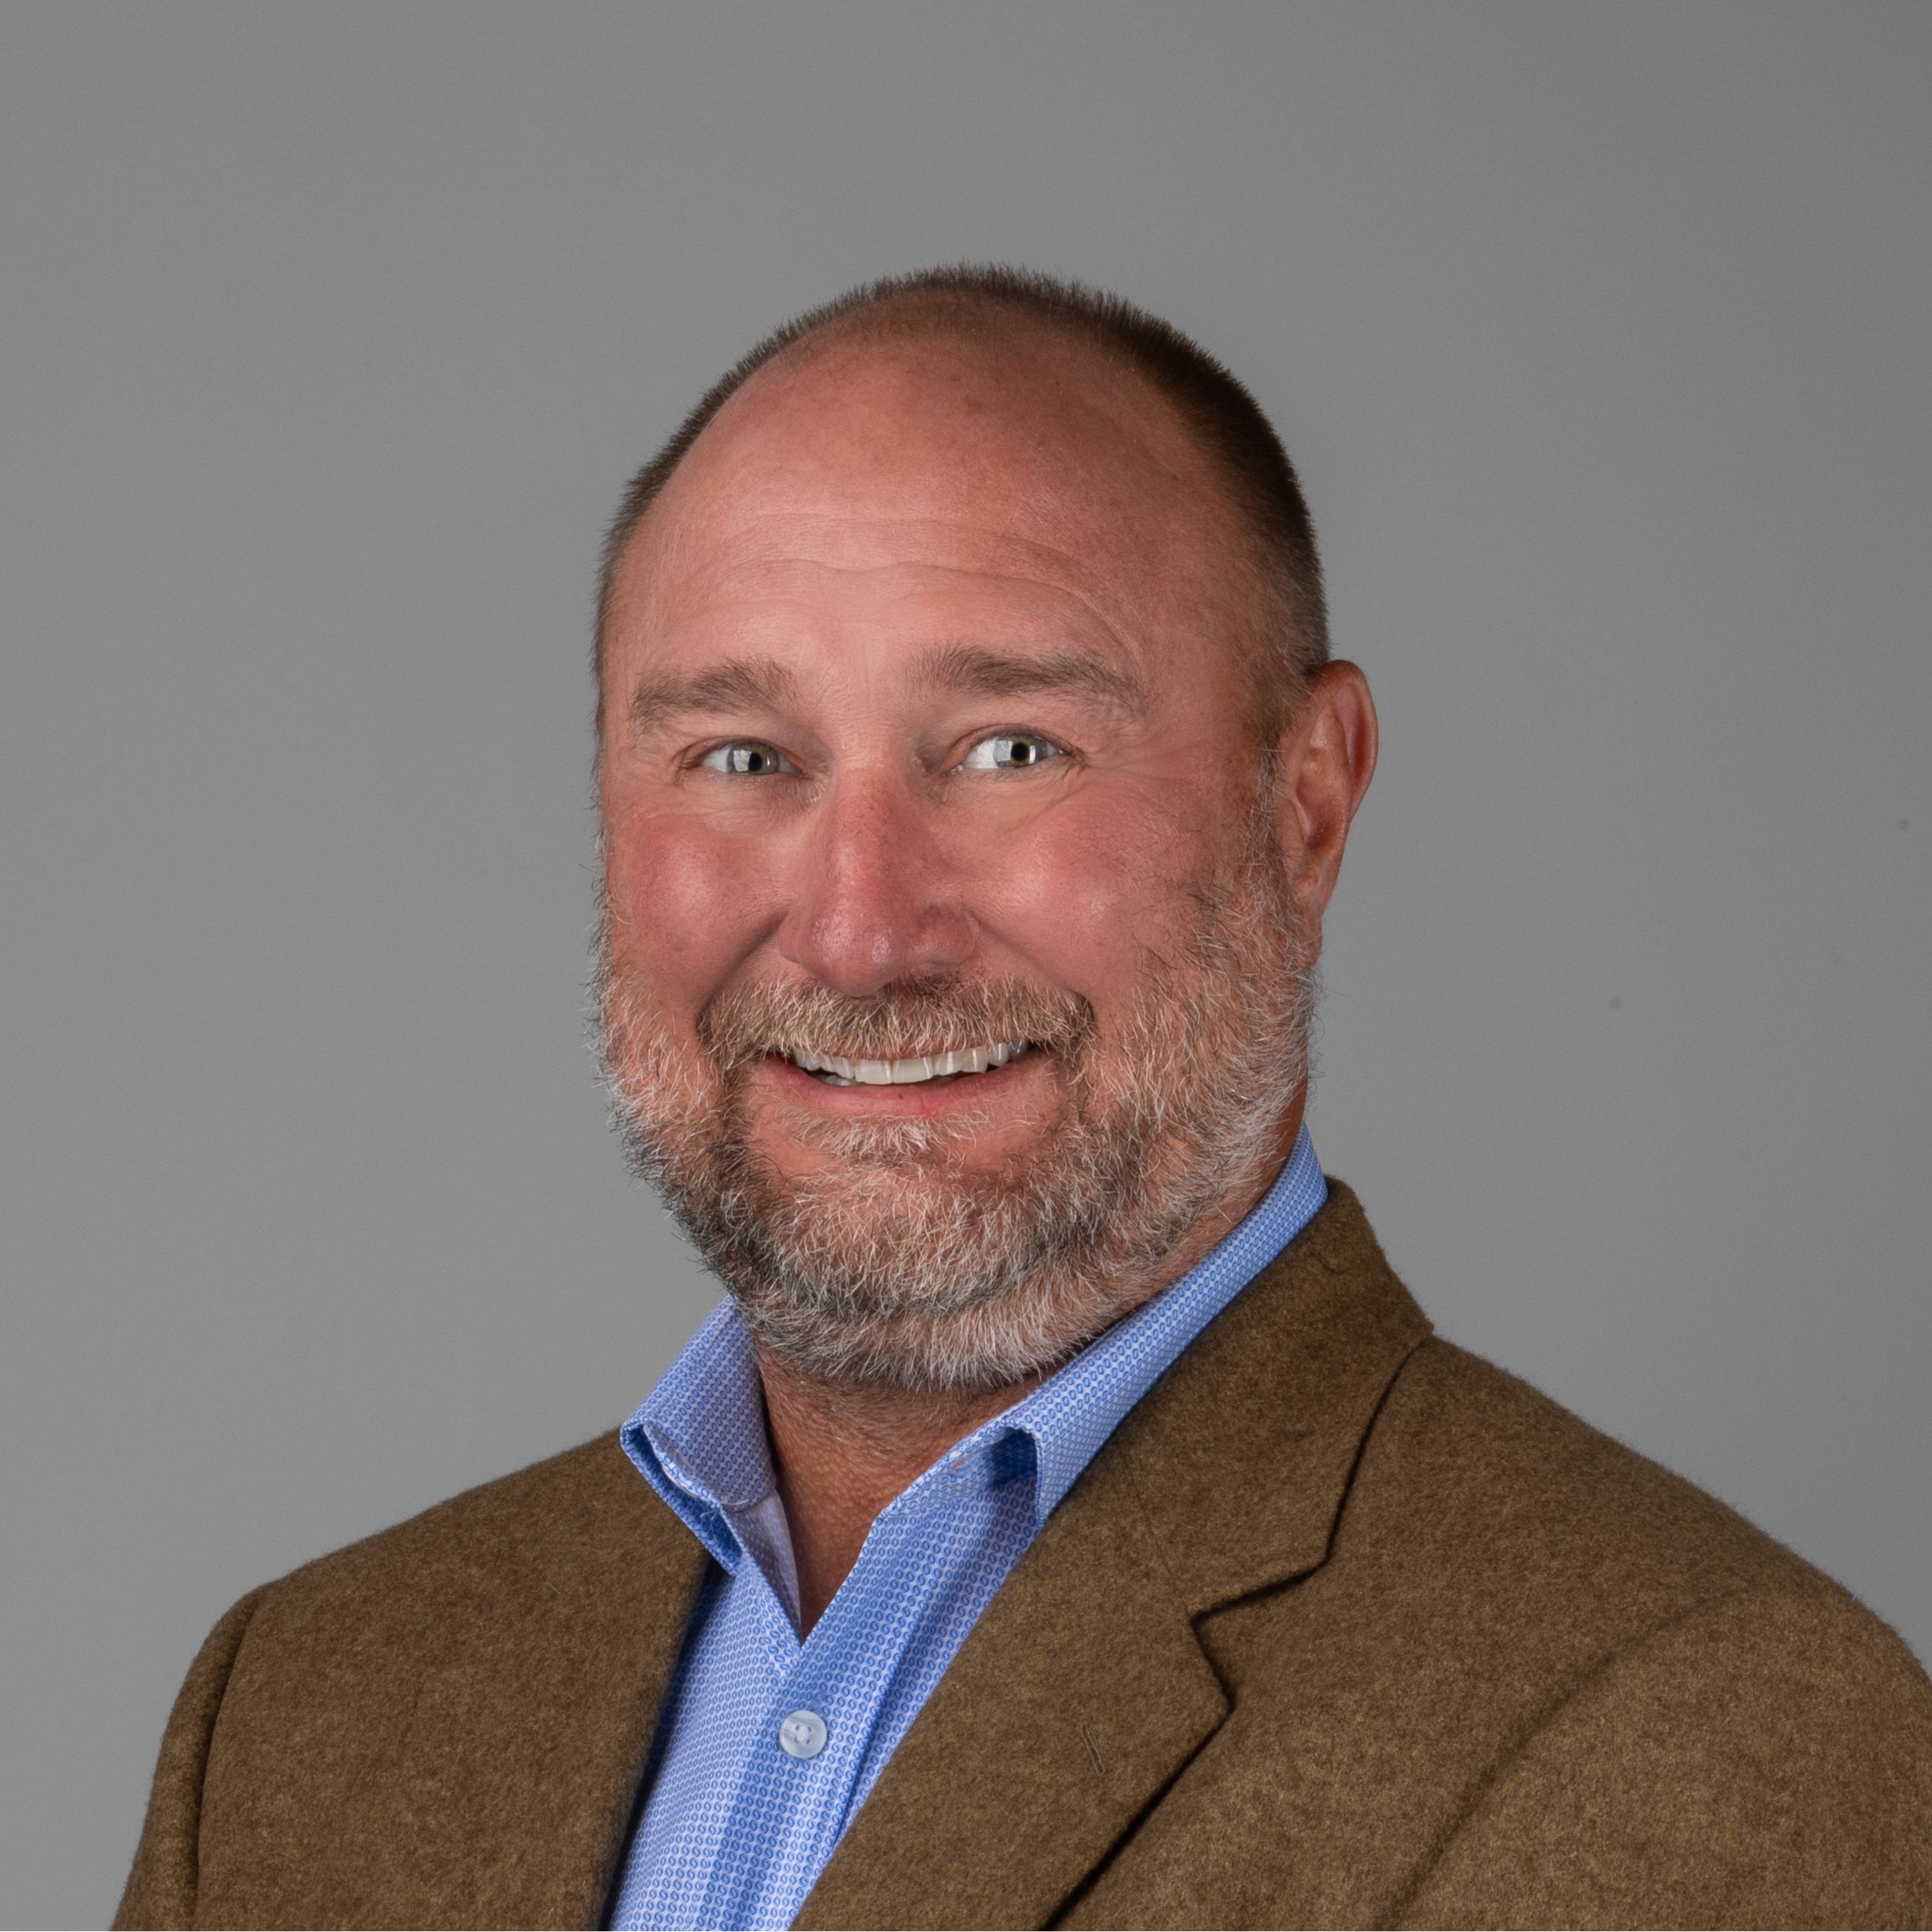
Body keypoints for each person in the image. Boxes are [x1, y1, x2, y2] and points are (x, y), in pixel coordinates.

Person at [115, 268, 1932, 1932]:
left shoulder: (1687, 1732)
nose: (856, 931)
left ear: (1307, 798)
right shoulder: (302, 1706)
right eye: (741, 758)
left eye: (1010, 752)